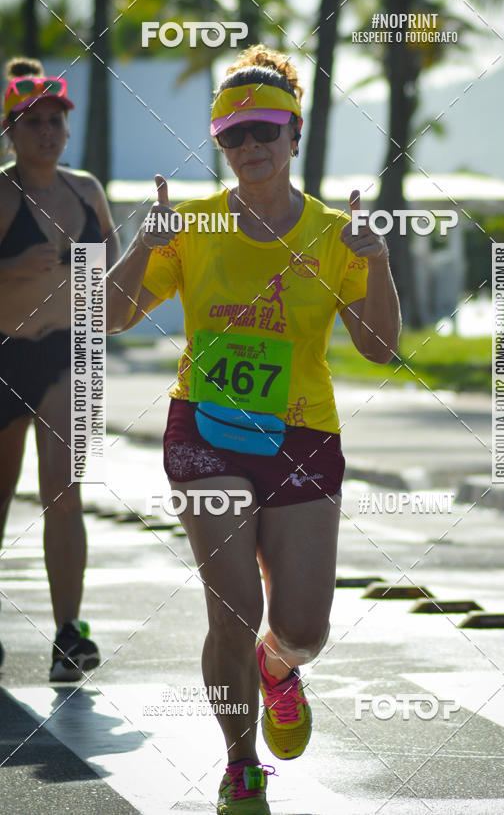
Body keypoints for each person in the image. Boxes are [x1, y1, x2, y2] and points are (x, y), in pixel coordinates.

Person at [106, 44, 400, 814]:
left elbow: (380, 349)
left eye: (266, 129)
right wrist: (144, 242)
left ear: (295, 134)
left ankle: (281, 665)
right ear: (220, 145)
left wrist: (382, 267)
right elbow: (102, 318)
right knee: (230, 610)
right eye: (234, 135)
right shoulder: (191, 225)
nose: (251, 147)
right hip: (206, 432)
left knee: (302, 626)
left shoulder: (340, 234)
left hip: (302, 435)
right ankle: (241, 764)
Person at [0, 58, 120, 680]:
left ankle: (68, 633)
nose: (47, 131)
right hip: (5, 352)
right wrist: (14, 271)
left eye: (55, 121)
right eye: (32, 122)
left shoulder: (86, 191)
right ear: (11, 131)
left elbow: (115, 280)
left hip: (68, 354)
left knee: (64, 496)